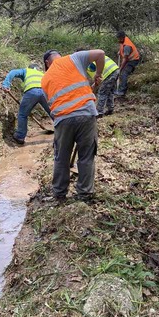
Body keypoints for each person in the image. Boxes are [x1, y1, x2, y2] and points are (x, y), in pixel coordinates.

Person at [41, 48, 105, 203]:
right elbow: (100, 54)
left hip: (63, 119)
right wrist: (98, 74)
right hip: (86, 114)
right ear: (59, 56)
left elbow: (54, 102)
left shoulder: (44, 79)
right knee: (86, 156)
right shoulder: (73, 58)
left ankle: (59, 194)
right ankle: (84, 194)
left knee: (61, 158)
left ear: (47, 63)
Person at [2, 64, 52, 145]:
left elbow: (13, 72)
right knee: (53, 112)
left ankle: (20, 137)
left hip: (31, 91)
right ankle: (63, 130)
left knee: (22, 114)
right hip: (45, 92)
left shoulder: (26, 70)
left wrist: (6, 84)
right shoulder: (41, 73)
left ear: (29, 67)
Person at [115, 30, 140, 96]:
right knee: (121, 71)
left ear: (122, 37)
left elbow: (125, 59)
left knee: (124, 73)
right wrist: (120, 52)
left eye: (119, 38)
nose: (118, 39)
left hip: (133, 61)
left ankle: (122, 91)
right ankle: (117, 88)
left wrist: (120, 69)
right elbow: (122, 47)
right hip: (129, 59)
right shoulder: (124, 40)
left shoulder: (127, 46)